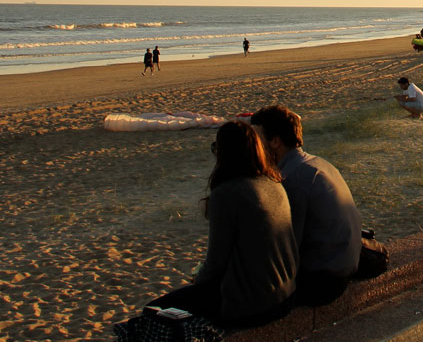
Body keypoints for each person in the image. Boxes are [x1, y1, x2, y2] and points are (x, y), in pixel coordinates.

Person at [144, 122, 297, 326]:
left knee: (154, 311)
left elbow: (216, 264)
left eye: (216, 148)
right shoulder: (273, 183)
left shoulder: (227, 194)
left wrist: (197, 278)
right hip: (286, 295)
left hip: (254, 305)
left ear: (224, 154)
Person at [251, 105, 362, 306]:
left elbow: (286, 248)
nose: (253, 146)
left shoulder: (293, 178)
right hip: (343, 266)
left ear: (275, 141)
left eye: (257, 139)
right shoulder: (317, 164)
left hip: (323, 281)